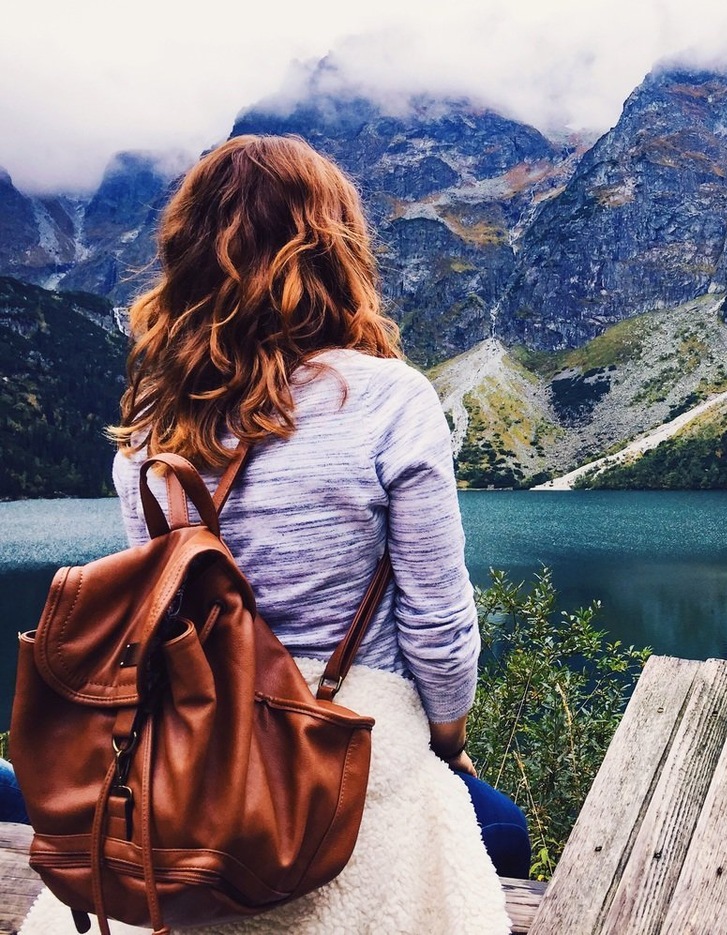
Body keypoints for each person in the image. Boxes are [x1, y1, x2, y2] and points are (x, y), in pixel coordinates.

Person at [20, 135, 523, 934]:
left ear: (186, 257)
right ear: (333, 249)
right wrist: (448, 737)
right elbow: (437, 623)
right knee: (505, 829)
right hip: (347, 734)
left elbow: (157, 618)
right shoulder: (389, 399)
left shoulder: (148, 429)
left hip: (192, 743)